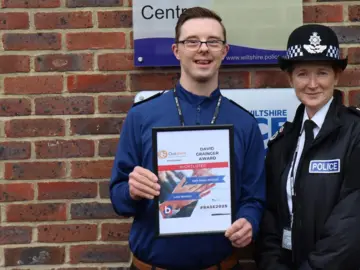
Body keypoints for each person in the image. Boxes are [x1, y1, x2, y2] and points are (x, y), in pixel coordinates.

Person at [109, 6, 266, 270]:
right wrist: (132, 191)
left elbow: (255, 198)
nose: (203, 49)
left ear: (224, 51)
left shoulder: (245, 123)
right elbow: (118, 198)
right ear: (176, 50)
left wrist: (249, 220)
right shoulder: (142, 116)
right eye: (192, 41)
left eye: (213, 41)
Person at [254, 24, 360, 270]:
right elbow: (271, 216)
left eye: (322, 73)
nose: (312, 84)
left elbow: (357, 220)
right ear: (290, 78)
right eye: (302, 74)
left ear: (336, 76)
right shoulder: (282, 143)